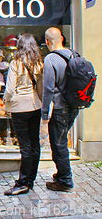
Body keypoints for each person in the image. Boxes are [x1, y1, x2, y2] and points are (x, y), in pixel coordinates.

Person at [3, 33, 43, 196]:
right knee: (35, 144)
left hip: (19, 107)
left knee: (25, 145)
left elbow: (10, 89)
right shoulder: (38, 63)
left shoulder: (16, 63)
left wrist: (6, 103)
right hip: (35, 106)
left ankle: (22, 182)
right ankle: (30, 180)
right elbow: (40, 88)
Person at [41, 27, 79, 192]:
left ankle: (65, 181)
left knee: (59, 146)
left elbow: (48, 89)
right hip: (74, 106)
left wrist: (44, 114)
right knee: (61, 143)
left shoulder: (50, 59)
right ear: (62, 38)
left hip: (59, 109)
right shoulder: (74, 54)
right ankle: (61, 173)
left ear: (48, 42)